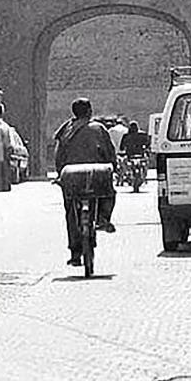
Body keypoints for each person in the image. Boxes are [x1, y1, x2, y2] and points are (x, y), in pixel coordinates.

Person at [54, 97, 118, 266]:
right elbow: (109, 152)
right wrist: (114, 168)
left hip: (71, 175)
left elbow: (59, 155)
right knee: (108, 193)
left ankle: (75, 253)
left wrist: (61, 175)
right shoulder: (98, 128)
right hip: (95, 174)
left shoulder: (65, 129)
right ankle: (103, 218)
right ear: (89, 111)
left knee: (70, 211)